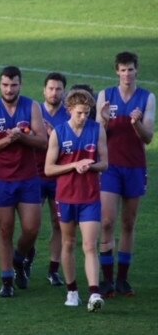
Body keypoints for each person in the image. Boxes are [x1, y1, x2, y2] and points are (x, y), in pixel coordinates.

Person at [0, 66, 47, 297]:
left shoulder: (32, 106)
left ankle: (20, 259)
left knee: (32, 228)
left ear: (20, 85)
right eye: (5, 85)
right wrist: (8, 140)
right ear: (0, 85)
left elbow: (43, 141)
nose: (9, 89)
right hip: (1, 179)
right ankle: (7, 280)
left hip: (28, 178)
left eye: (14, 85)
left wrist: (22, 137)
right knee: (5, 229)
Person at [96, 51, 156, 297]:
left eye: (130, 69)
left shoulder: (147, 98)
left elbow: (148, 137)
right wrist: (105, 119)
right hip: (110, 167)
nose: (127, 74)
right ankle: (107, 280)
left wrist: (136, 123)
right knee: (107, 222)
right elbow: (98, 134)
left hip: (135, 167)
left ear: (136, 70)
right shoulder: (105, 96)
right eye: (123, 69)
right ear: (116, 71)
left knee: (129, 224)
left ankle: (123, 279)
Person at [44, 89, 108, 311]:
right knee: (69, 243)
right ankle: (72, 291)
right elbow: (49, 168)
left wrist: (89, 165)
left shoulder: (97, 130)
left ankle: (94, 294)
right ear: (70, 110)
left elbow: (104, 163)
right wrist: (73, 165)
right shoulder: (59, 133)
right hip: (66, 197)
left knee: (90, 245)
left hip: (90, 197)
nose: (84, 117)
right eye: (80, 112)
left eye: (87, 112)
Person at [34, 72, 69, 285]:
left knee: (59, 224)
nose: (54, 93)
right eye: (51, 88)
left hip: (60, 177)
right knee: (33, 224)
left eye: (58, 89)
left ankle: (53, 269)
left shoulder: (71, 115)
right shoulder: (34, 111)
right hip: (35, 175)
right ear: (44, 90)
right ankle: (27, 260)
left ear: (64, 92)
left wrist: (53, 134)